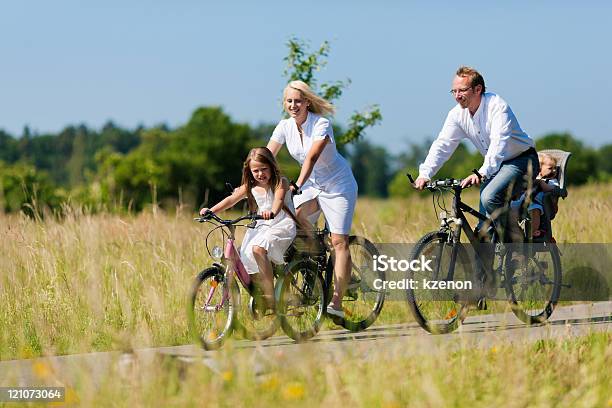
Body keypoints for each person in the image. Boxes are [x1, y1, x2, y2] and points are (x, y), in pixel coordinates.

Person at [266, 80, 358, 320]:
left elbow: (312, 157)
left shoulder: (321, 123)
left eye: (298, 101)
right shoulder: (284, 126)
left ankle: (336, 302)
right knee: (295, 224)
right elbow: (266, 156)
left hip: (338, 185)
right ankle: (314, 266)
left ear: (307, 102)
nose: (293, 105)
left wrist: (296, 183)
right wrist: (250, 182)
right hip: (312, 186)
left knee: (339, 241)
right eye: (289, 101)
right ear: (284, 103)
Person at [414, 66, 540, 241]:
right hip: (493, 168)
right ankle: (484, 269)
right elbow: (443, 145)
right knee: (483, 232)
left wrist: (483, 172)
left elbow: (498, 143)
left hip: (522, 161)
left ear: (478, 89)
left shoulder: (497, 106)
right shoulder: (456, 115)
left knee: (489, 197)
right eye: (454, 91)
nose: (457, 96)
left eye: (462, 90)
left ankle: (517, 245)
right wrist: (425, 173)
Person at [200, 147, 296, 311]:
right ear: (250, 171)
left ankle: (271, 295)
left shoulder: (281, 181)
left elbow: (279, 200)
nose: (260, 174)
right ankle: (261, 291)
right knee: (244, 255)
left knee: (258, 249)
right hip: (261, 224)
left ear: (272, 166)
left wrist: (272, 212)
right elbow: (231, 200)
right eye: (255, 171)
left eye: (264, 169)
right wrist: (211, 211)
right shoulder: (250, 185)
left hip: (281, 223)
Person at [510, 152, 560, 239]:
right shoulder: (532, 179)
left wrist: (541, 183)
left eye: (555, 168)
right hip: (523, 202)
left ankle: (534, 231)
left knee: (534, 210)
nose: (554, 171)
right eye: (550, 168)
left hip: (539, 204)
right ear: (539, 169)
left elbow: (551, 190)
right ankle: (514, 231)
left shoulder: (552, 181)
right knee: (508, 208)